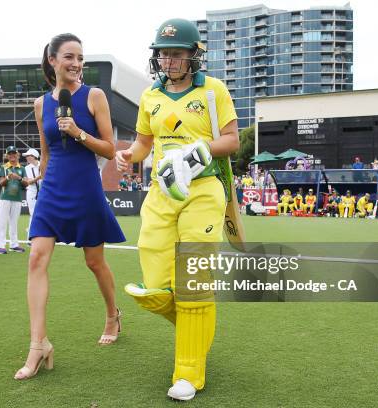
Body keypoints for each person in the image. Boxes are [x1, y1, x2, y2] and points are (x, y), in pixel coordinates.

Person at [116, 18, 239, 400]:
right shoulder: (150, 96)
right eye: (163, 54)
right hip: (160, 194)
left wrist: (198, 152)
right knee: (153, 287)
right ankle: (195, 328)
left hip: (203, 191)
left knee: (193, 282)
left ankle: (189, 372)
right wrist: (128, 156)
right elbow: (142, 145)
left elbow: (232, 140)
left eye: (176, 54)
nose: (168, 61)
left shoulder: (213, 90)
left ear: (193, 57)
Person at [14, 33, 126, 381]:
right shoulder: (40, 105)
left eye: (80, 57)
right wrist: (42, 184)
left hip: (84, 185)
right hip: (53, 187)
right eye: (69, 57)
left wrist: (78, 132)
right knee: (36, 258)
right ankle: (38, 344)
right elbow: (46, 153)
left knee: (94, 261)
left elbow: (110, 149)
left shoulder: (94, 96)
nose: (76, 64)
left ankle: (112, 314)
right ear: (52, 60)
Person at [0, 146, 27, 254]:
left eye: (14, 153)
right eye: (10, 154)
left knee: (14, 222)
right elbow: (1, 183)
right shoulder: (3, 167)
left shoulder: (22, 168)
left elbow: (26, 183)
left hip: (17, 198)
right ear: (7, 156)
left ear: (17, 155)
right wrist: (8, 177)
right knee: (2, 222)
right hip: (5, 198)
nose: (12, 155)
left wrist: (19, 178)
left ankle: (14, 245)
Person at [23, 148, 42, 236]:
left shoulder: (43, 165)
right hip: (31, 193)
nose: (26, 157)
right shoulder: (26, 168)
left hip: (43, 193)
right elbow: (28, 182)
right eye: (26, 156)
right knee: (33, 214)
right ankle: (30, 237)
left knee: (43, 215)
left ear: (34, 157)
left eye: (28, 155)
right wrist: (40, 176)